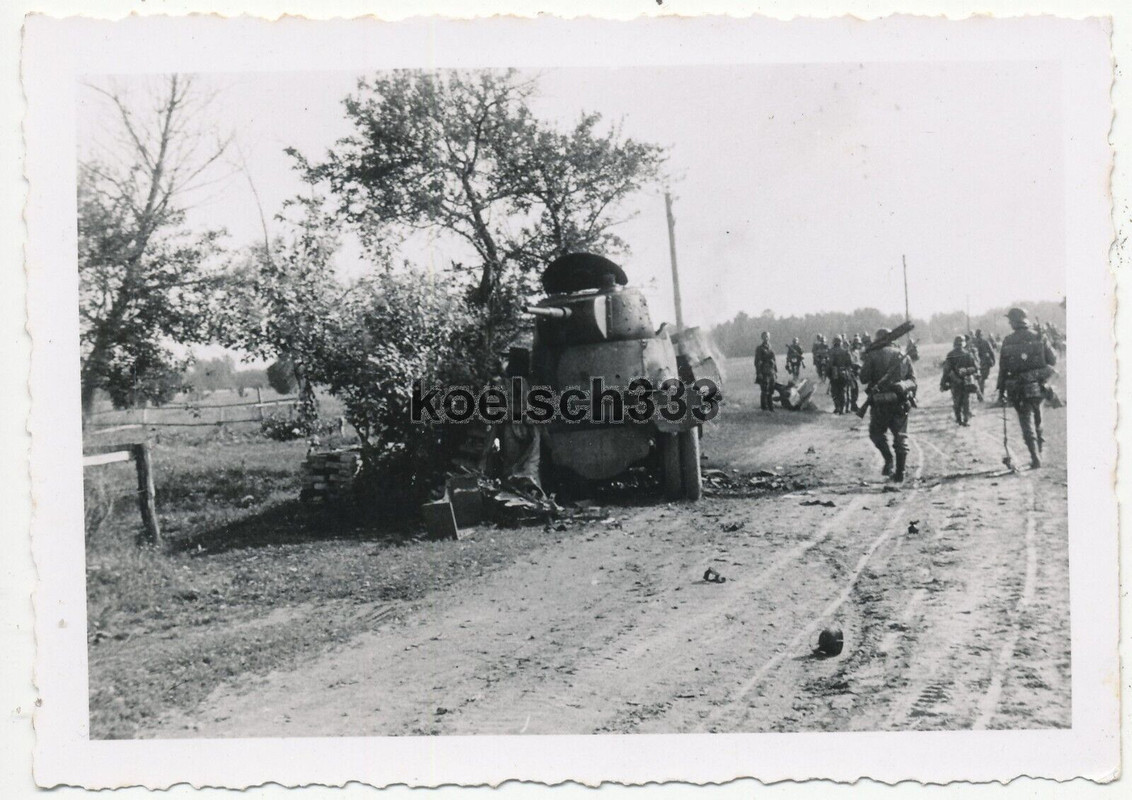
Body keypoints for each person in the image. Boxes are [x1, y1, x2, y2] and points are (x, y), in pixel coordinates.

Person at [996, 307, 1057, 469]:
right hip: (1039, 386)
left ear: (1014, 322)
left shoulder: (1008, 340)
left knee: (1026, 423)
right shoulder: (1039, 336)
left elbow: (1003, 368)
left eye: (1010, 320)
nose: (1009, 322)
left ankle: (1035, 457)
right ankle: (1040, 451)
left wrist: (1001, 391)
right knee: (1038, 419)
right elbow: (1053, 360)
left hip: (1018, 389)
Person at [859, 327, 917, 482]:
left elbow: (863, 378)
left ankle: (889, 460)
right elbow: (913, 381)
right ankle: (901, 473)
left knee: (876, 433)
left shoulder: (872, 356)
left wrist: (866, 360)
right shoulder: (902, 355)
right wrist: (902, 385)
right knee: (901, 437)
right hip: (900, 402)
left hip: (880, 404)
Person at [941, 335, 979, 426]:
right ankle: (966, 418)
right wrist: (967, 372)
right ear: (963, 344)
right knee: (966, 399)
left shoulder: (950, 355)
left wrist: (943, 383)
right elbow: (975, 368)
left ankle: (959, 419)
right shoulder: (968, 354)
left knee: (956, 400)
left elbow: (946, 370)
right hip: (966, 380)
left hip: (954, 381)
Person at [828, 335, 854, 414]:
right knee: (843, 390)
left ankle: (837, 407)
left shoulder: (831, 351)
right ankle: (843, 408)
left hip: (834, 373)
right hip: (844, 373)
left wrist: (829, 374)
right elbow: (850, 363)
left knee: (834, 391)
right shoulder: (845, 351)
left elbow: (829, 365)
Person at [754, 331, 778, 412]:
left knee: (771, 389)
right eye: (765, 336)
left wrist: (775, 372)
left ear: (769, 337)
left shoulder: (771, 347)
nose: (766, 338)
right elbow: (757, 362)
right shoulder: (759, 348)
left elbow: (774, 360)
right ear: (762, 338)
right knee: (765, 389)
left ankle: (771, 407)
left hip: (771, 371)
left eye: (767, 336)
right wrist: (759, 373)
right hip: (764, 371)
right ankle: (764, 408)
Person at [972, 329, 996, 398]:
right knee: (982, 379)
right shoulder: (985, 342)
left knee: (978, 378)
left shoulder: (972, 342)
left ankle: (979, 392)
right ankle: (980, 393)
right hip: (984, 362)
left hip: (975, 362)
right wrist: (993, 361)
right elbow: (991, 352)